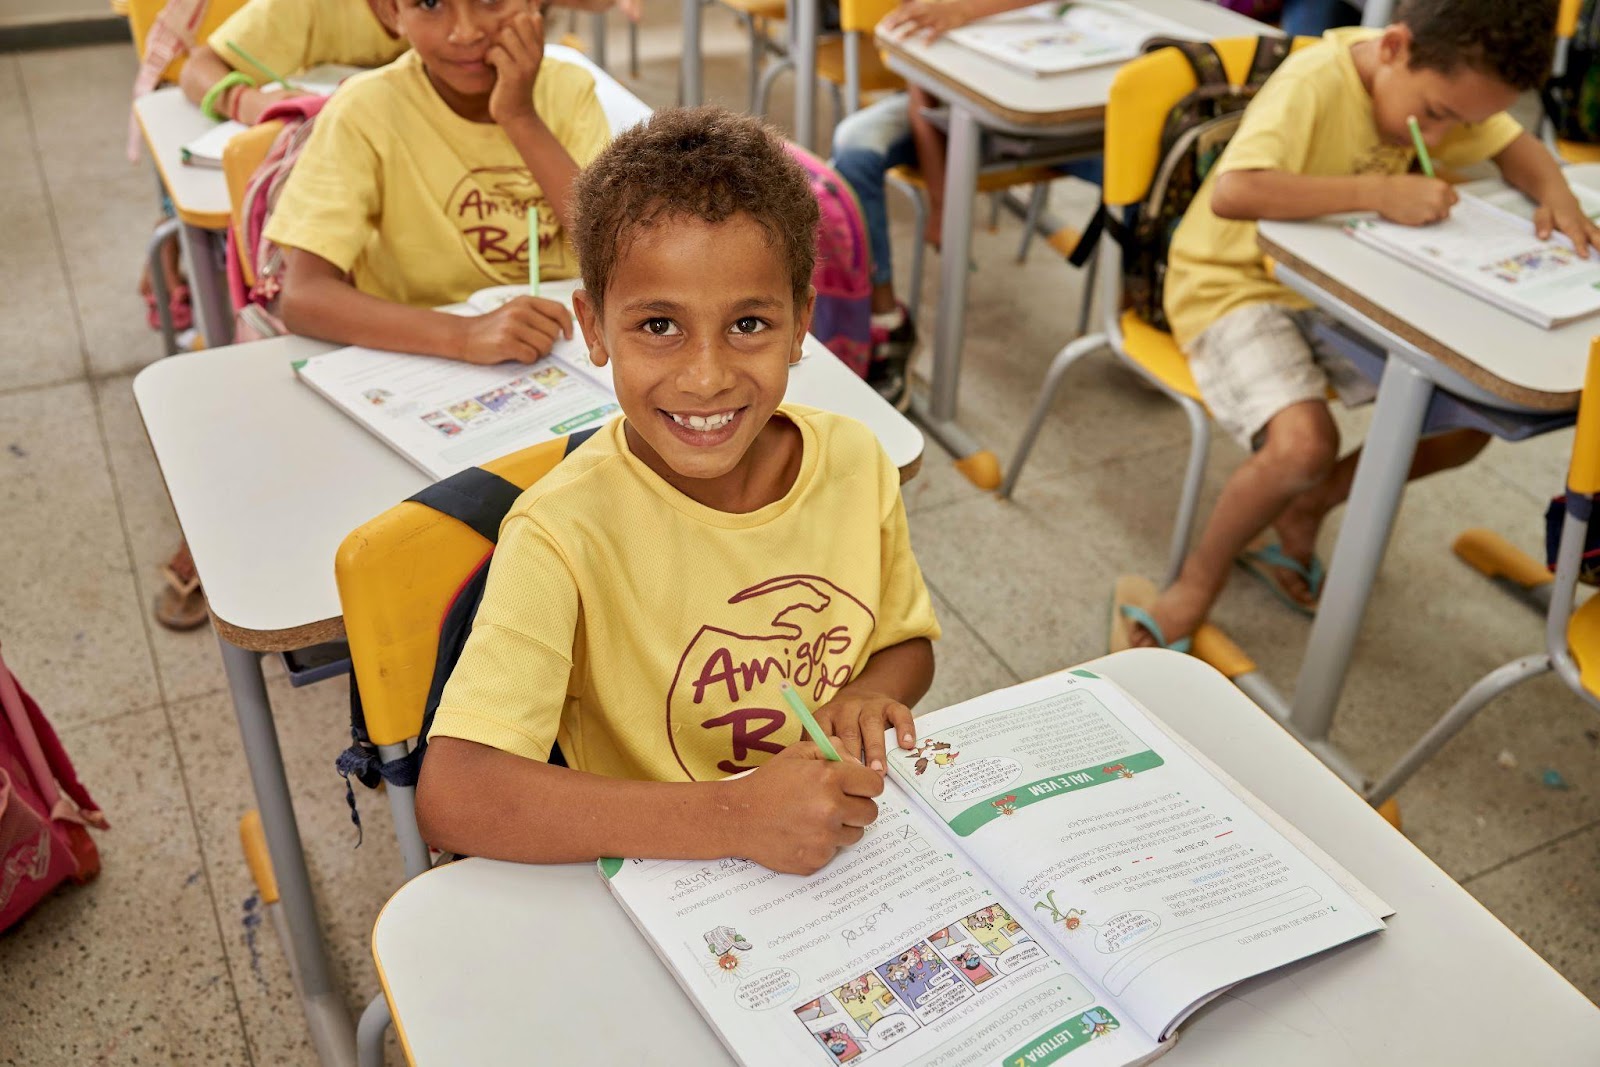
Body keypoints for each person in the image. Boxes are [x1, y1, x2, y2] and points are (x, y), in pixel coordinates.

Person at [414, 107, 943, 877]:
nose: (705, 375)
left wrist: (864, 694)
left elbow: (906, 642)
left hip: (830, 869)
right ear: (593, 328)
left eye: (750, 323)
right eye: (659, 325)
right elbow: (457, 793)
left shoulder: (857, 462)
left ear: (801, 323)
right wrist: (737, 815)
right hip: (659, 881)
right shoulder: (563, 533)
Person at [1121, 0, 1595, 650]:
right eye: (1436, 116)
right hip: (1229, 282)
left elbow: (1518, 148)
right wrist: (1378, 193)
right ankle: (1196, 584)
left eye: (1466, 122)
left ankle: (1308, 506)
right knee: (1302, 447)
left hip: (1339, 288)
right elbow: (1235, 191)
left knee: (1468, 422)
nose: (1446, 133)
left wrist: (1559, 196)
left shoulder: (1445, 83)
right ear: (1395, 46)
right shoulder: (1315, 79)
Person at [264, 0, 613, 365]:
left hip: (565, 354)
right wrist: (464, 335)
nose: (465, 32)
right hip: (424, 358)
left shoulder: (569, 91)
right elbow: (304, 297)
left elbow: (612, 253)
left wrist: (519, 116)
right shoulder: (363, 112)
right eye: (430, 3)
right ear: (391, 12)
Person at [831, 0, 1105, 404]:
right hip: (950, 112)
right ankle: (885, 321)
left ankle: (1141, 301)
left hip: (1045, 117)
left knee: (1149, 152)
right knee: (855, 150)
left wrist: (970, 9)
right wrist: (942, 202)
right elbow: (921, 92)